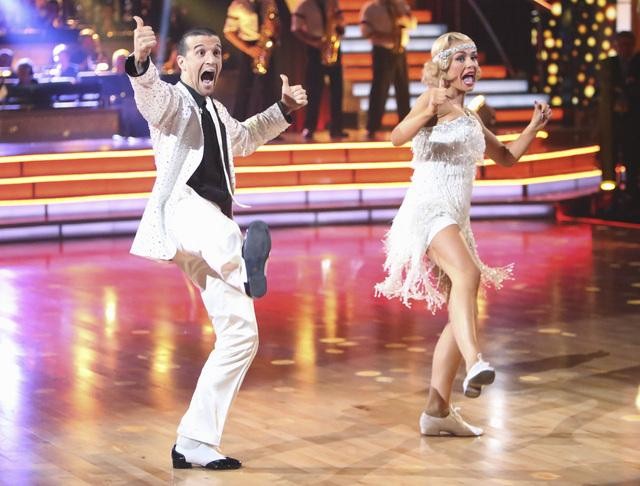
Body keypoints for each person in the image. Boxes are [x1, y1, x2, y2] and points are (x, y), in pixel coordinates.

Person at [126, 16, 307, 469]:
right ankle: (246, 272)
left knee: (242, 336)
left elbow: (245, 138)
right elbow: (150, 97)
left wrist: (283, 108)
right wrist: (141, 62)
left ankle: (194, 441)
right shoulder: (173, 101)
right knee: (227, 234)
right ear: (183, 62)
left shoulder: (218, 111)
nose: (211, 58)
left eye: (217, 53)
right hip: (182, 212)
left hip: (211, 233)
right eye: (201, 52)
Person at [375, 32, 551, 436]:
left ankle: (437, 411)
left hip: (455, 217)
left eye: (474, 58)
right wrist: (426, 109)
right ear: (443, 65)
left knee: (465, 306)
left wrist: (532, 127)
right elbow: (396, 137)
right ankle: (474, 362)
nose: (471, 64)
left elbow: (506, 158)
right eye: (461, 58)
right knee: (468, 276)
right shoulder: (433, 101)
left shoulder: (470, 115)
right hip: (428, 210)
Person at [360, 0, 415, 141]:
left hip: (400, 50)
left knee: (403, 89)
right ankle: (372, 126)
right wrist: (386, 36)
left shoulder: (400, 5)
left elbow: (413, 23)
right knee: (379, 89)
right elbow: (365, 31)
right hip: (382, 51)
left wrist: (402, 18)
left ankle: (405, 125)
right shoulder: (371, 8)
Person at [292, 0, 347, 141]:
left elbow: (342, 26)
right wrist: (314, 41)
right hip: (315, 49)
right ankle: (309, 127)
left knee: (337, 90)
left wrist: (338, 23)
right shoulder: (304, 5)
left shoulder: (332, 3)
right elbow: (296, 28)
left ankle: (337, 128)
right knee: (314, 91)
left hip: (332, 47)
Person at [599, 31, 640, 199]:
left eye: (627, 45)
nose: (624, 48)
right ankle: (612, 193)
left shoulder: (637, 63)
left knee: (633, 154)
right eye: (621, 45)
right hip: (613, 120)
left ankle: (632, 189)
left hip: (634, 119)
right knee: (611, 154)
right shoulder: (609, 65)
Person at [224, 0, 281, 121]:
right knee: (244, 89)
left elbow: (277, 23)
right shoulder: (238, 4)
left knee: (269, 89)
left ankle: (270, 124)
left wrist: (274, 27)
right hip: (247, 46)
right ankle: (239, 123)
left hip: (266, 47)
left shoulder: (269, 2)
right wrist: (248, 49)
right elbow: (228, 32)